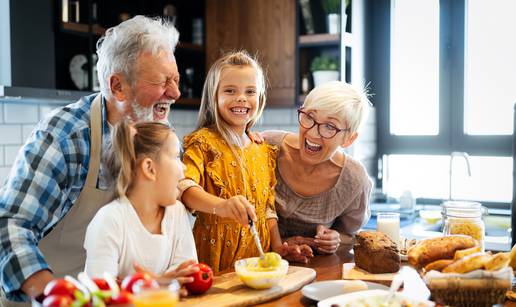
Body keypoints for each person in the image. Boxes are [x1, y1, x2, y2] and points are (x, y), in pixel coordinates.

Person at [0, 15, 190, 304]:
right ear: (118, 87)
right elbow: (10, 224)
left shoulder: (158, 134)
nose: (175, 93)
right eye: (163, 82)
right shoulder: (65, 136)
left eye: (175, 80)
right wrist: (55, 296)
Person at [179, 51, 311, 273]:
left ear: (259, 97)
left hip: (257, 257)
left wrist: (278, 247)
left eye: (250, 91)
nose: (241, 98)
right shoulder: (202, 143)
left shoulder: (262, 149)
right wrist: (222, 206)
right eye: (230, 91)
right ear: (214, 96)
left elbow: (267, 209)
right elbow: (184, 189)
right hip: (214, 256)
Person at [260, 81, 372, 258]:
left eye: (330, 126)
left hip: (314, 271)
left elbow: (350, 237)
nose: (313, 133)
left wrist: (335, 239)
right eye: (310, 117)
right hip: (254, 265)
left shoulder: (354, 180)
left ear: (349, 139)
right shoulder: (266, 146)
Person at [84, 121, 198, 287]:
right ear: (149, 168)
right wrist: (155, 283)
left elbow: (187, 273)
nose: (184, 168)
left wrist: (147, 284)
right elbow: (100, 295)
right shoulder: (108, 220)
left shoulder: (177, 211)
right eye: (175, 157)